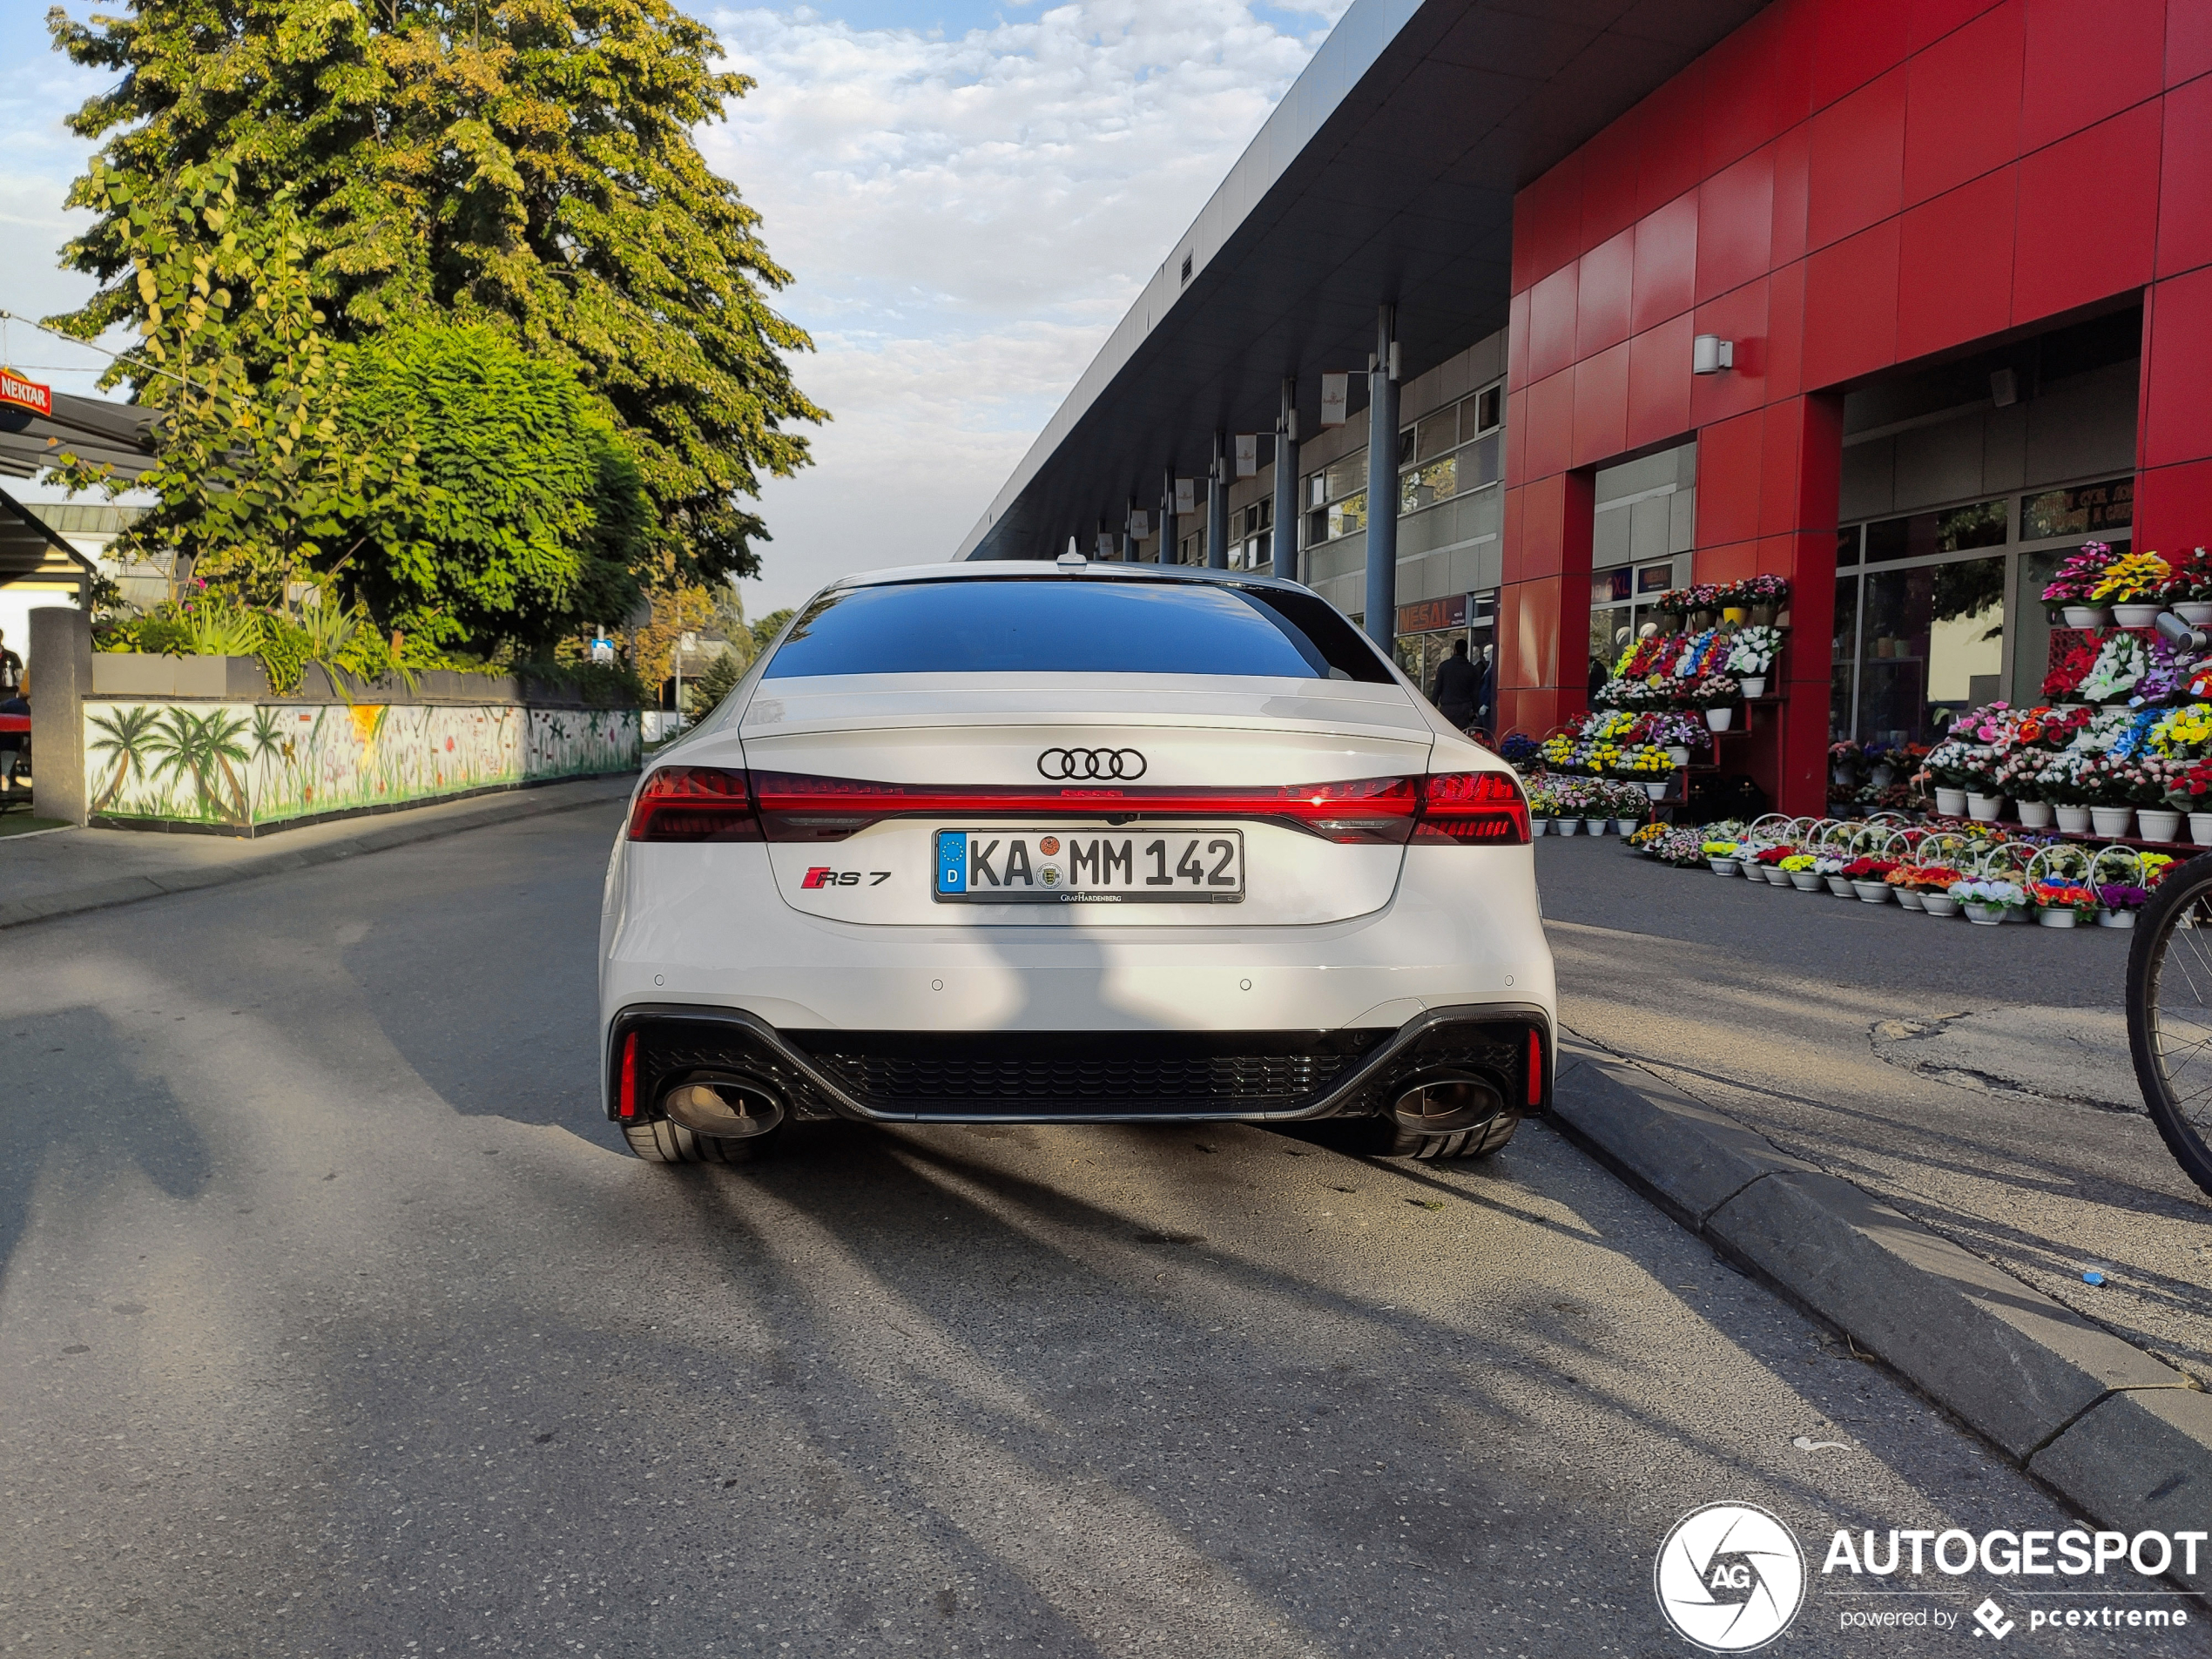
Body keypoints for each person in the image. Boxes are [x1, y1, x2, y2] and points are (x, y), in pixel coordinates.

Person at [1430, 637, 1479, 730]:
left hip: (1447, 708)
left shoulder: (1444, 667)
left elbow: (1437, 689)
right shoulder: (1472, 669)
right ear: (1466, 651)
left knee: (1446, 733)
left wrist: (1433, 705)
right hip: (1464, 709)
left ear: (1454, 650)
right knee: (1462, 734)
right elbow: (1475, 692)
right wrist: (1475, 709)